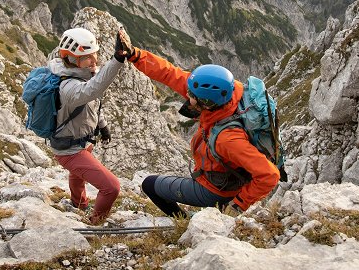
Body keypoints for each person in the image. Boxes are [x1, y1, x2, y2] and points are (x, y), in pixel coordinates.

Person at [116, 41, 280, 217]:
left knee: (149, 184)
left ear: (207, 103)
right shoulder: (229, 92)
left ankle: (185, 221)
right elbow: (169, 73)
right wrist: (135, 54)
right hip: (227, 175)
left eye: (192, 96)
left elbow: (269, 175)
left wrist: (238, 205)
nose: (187, 95)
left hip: (216, 189)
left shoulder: (228, 139)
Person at [48, 26, 132, 225]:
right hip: (69, 150)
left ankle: (79, 205)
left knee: (78, 174)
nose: (94, 62)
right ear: (72, 59)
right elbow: (91, 92)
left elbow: (91, 105)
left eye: (95, 56)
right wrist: (117, 60)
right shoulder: (67, 87)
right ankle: (95, 223)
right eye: (88, 58)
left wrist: (102, 126)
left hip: (79, 140)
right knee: (111, 187)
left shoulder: (80, 75)